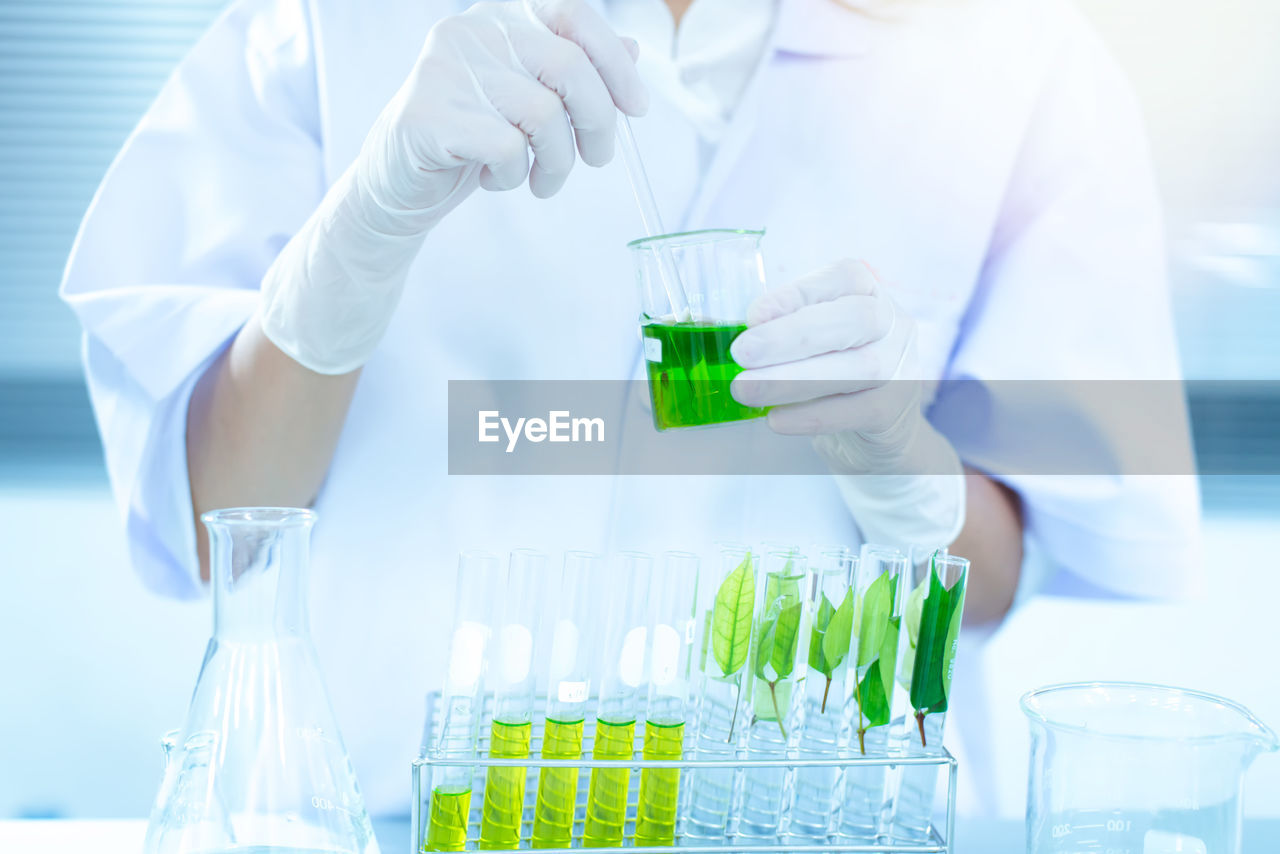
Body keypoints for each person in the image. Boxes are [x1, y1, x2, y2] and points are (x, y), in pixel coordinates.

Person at [62, 0, 1200, 812]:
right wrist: (357, 235)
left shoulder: (1018, 54)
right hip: (415, 807)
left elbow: (997, 571)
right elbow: (222, 513)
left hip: (815, 806)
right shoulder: (331, 23)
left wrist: (905, 458)